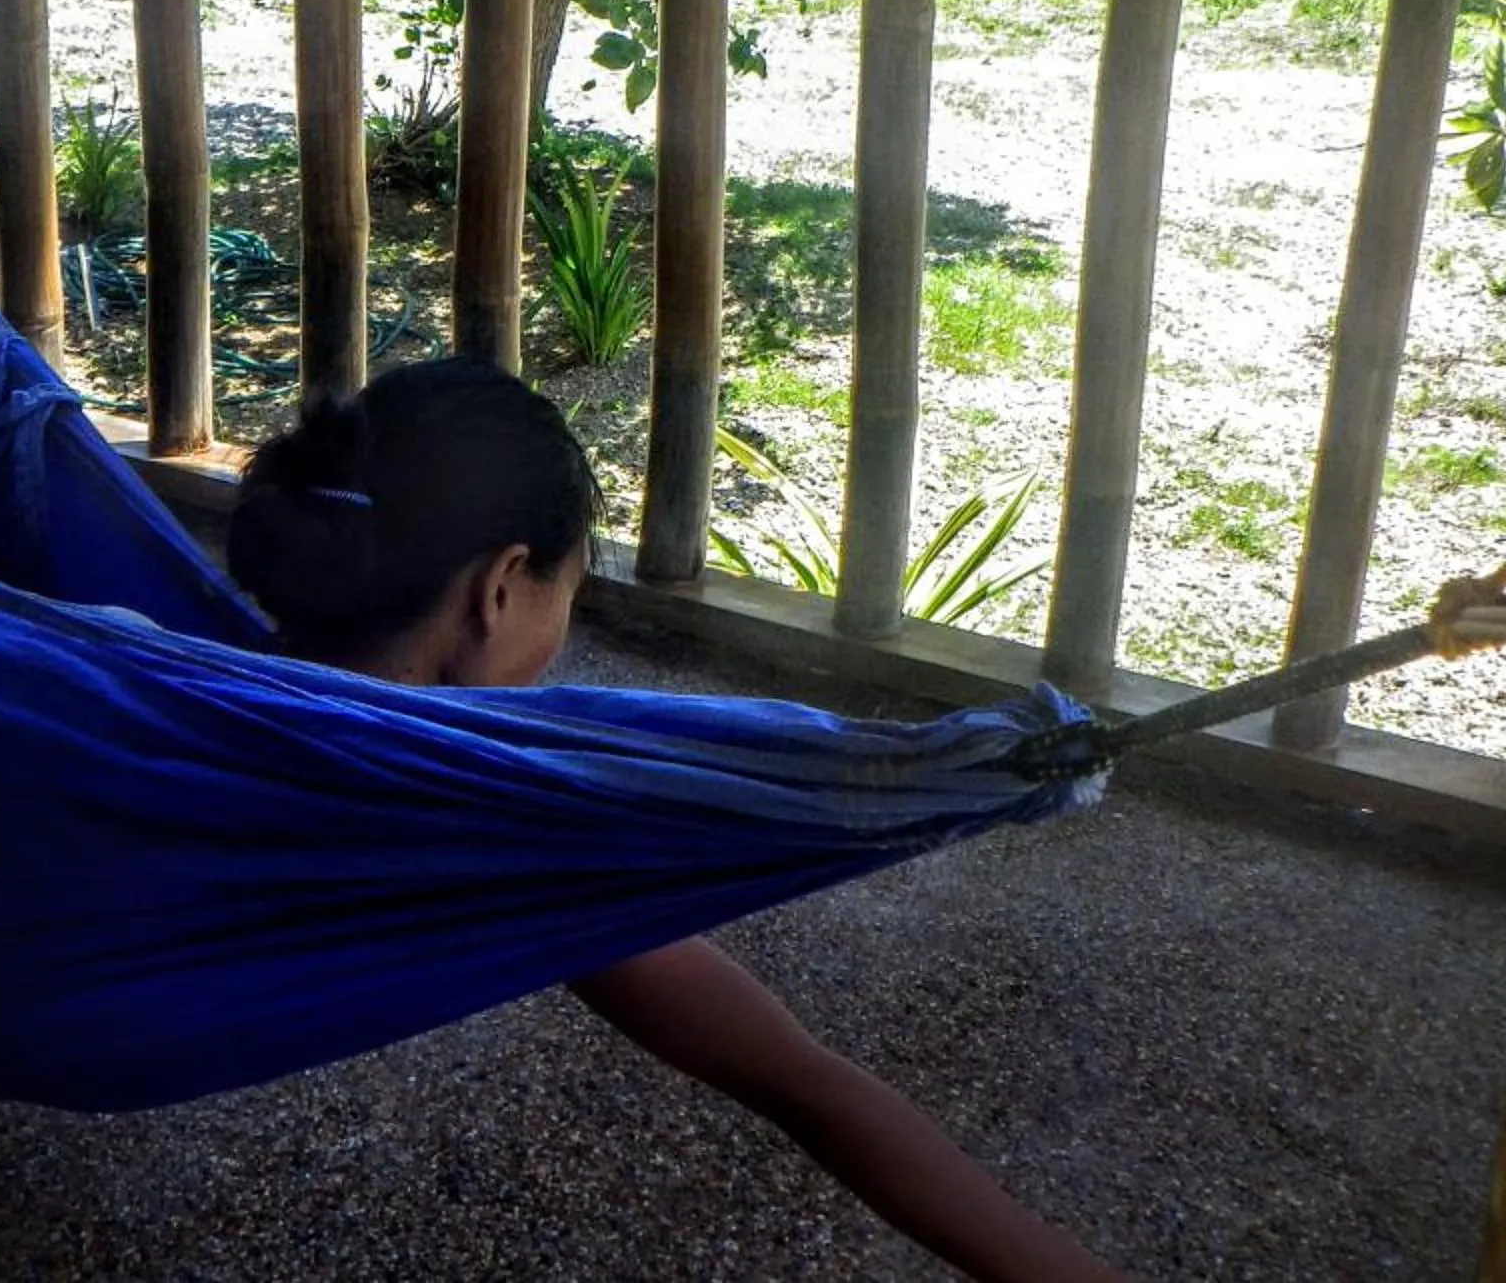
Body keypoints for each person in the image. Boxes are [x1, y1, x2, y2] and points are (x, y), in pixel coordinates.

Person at [227, 356, 1122, 1283]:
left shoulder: (155, 686)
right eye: (566, 598)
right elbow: (797, 1080)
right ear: (501, 587)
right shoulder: (507, 833)